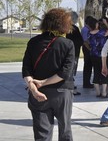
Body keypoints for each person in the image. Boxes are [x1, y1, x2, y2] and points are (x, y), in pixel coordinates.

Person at [22, 8, 75, 141]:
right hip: (61, 92)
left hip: (38, 94)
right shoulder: (67, 44)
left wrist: (34, 88)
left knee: (42, 133)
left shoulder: (33, 42)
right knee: (65, 130)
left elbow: (26, 69)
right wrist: (43, 82)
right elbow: (65, 73)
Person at [88, 17, 108, 98]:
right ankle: (104, 92)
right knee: (104, 72)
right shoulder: (102, 32)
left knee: (96, 72)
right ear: (95, 24)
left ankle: (98, 92)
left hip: (93, 55)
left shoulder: (89, 33)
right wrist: (105, 23)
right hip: (102, 55)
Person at [66, 11, 83, 95]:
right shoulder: (74, 28)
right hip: (74, 52)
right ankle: (71, 88)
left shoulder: (64, 27)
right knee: (71, 71)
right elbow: (80, 40)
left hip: (66, 52)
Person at [81, 15, 94, 88]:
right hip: (87, 48)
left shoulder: (86, 29)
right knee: (88, 66)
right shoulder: (85, 29)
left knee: (88, 66)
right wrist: (90, 49)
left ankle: (87, 82)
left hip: (87, 48)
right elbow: (85, 41)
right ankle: (86, 83)